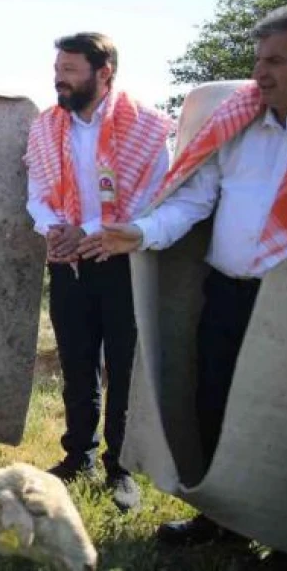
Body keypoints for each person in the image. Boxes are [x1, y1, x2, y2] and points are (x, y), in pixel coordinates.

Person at [82, 0, 287, 563]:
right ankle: (223, 523)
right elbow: (192, 199)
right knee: (216, 402)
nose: (260, 72)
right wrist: (140, 232)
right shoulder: (238, 123)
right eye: (258, 59)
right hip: (230, 295)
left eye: (277, 61)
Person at [23, 33, 171, 512]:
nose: (58, 78)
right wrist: (53, 228)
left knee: (123, 367)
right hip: (67, 261)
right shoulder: (47, 126)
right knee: (77, 363)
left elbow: (152, 197)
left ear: (103, 72)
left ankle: (121, 466)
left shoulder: (145, 127)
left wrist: (83, 229)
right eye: (58, 68)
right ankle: (77, 457)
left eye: (70, 69)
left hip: (122, 260)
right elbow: (35, 192)